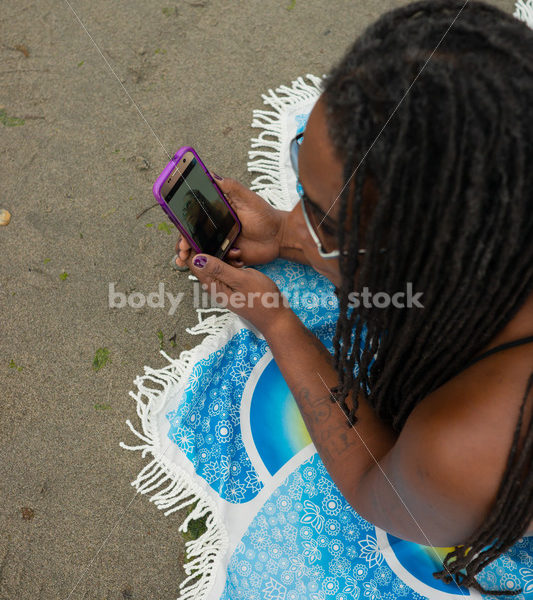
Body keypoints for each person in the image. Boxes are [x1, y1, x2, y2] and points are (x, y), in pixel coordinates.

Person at [174, 0, 533, 594]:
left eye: (320, 217)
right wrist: (289, 233)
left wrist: (282, 329)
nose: (295, 209)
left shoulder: (472, 445)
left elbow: (379, 489)